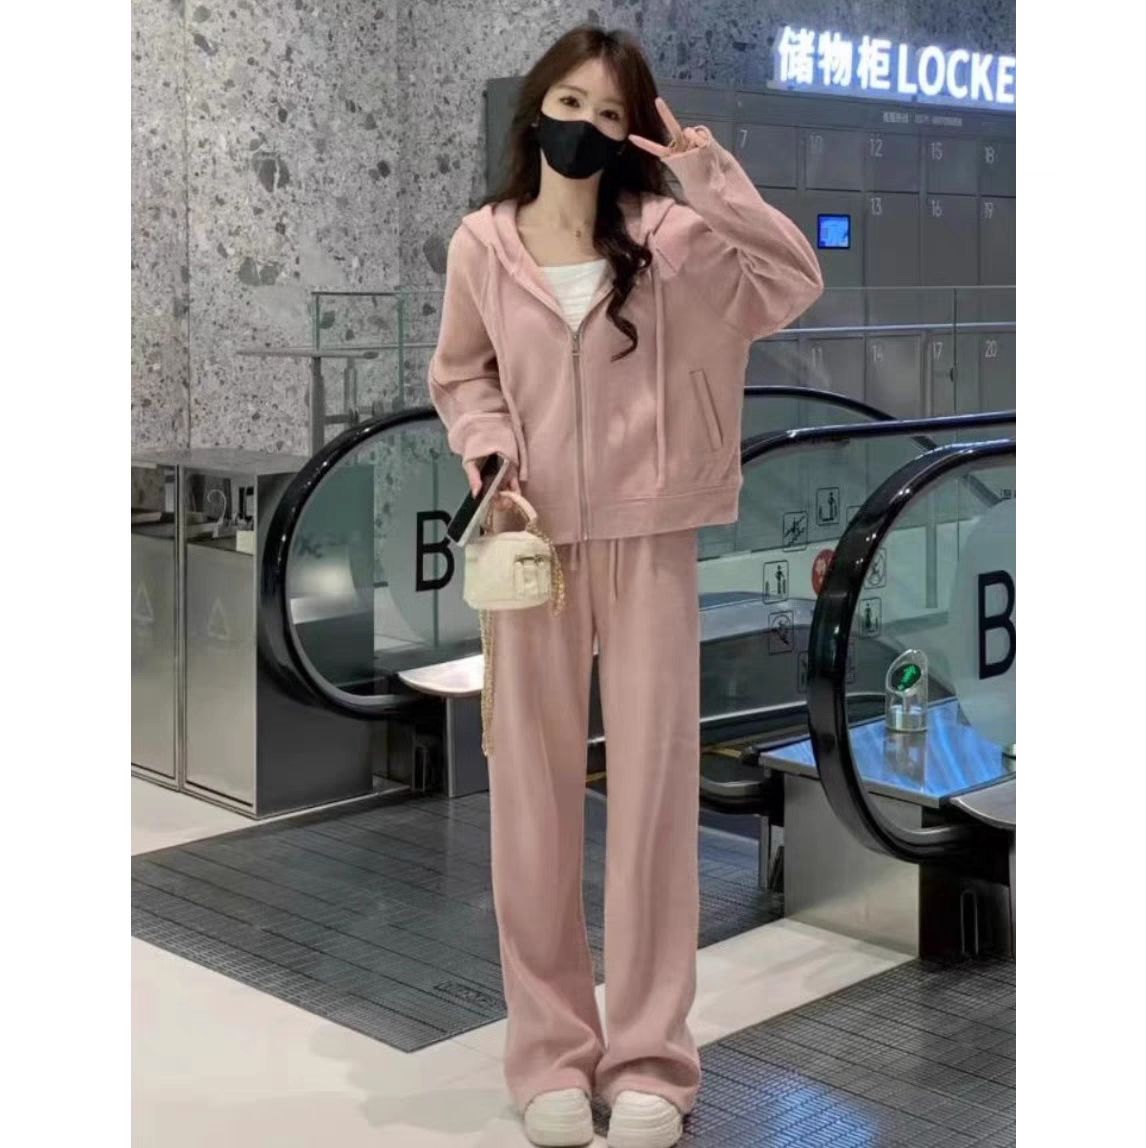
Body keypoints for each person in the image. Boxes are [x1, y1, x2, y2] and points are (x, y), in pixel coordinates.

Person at [428, 24, 822, 1148]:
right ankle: (550, 1053)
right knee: (532, 805)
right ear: (534, 110)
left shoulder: (678, 237)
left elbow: (794, 279)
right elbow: (462, 373)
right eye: (570, 103)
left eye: (610, 113)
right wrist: (490, 452)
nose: (586, 127)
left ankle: (651, 1057)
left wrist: (706, 173)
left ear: (635, 130)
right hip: (534, 543)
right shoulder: (482, 241)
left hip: (654, 538)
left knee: (652, 800)